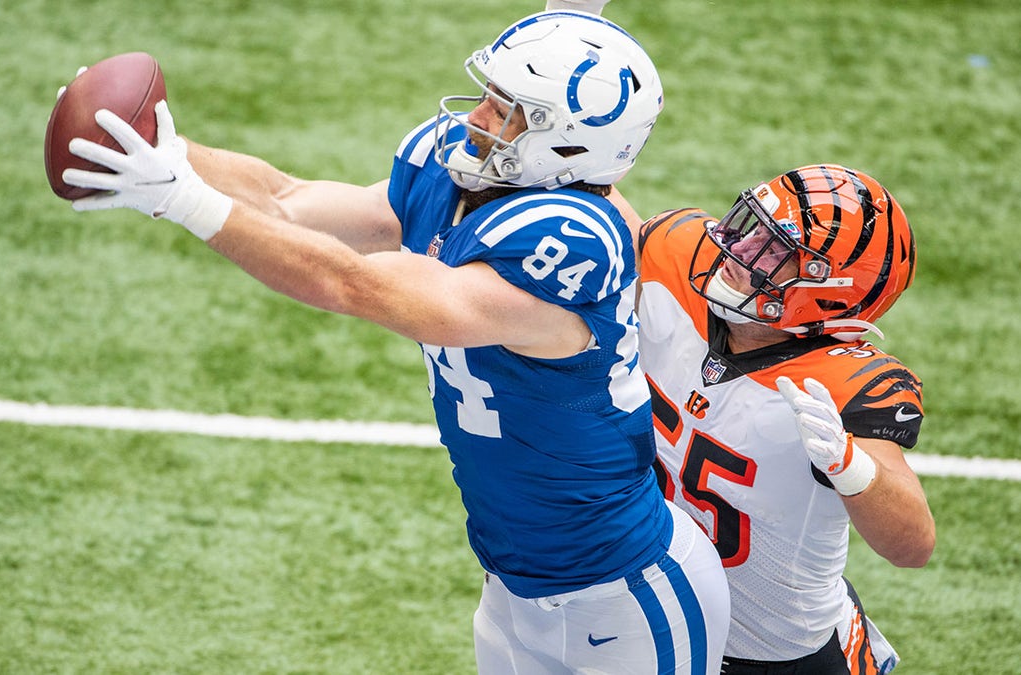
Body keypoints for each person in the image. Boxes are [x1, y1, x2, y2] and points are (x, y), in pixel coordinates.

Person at [58, 11, 730, 674]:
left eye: (508, 111)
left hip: (626, 596)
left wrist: (185, 202)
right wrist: (159, 151)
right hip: (513, 586)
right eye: (491, 95)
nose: (479, 118)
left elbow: (353, 284)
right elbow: (288, 200)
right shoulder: (461, 177)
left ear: (571, 149)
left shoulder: (569, 244)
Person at [635, 164, 936, 674]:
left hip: (776, 653)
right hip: (648, 614)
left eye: (777, 251)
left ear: (828, 291)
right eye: (755, 228)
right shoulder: (675, 257)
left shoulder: (841, 387)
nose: (744, 251)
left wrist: (850, 466)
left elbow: (914, 545)